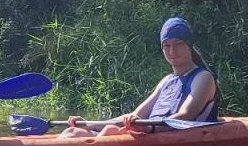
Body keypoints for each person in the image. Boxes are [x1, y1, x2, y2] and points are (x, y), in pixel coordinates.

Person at [60, 17, 218, 138]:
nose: (172, 51)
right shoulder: (167, 81)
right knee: (73, 131)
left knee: (109, 131)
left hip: (167, 138)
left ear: (189, 44)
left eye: (177, 44)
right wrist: (91, 125)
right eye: (167, 45)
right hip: (149, 134)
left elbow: (186, 116)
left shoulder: (203, 77)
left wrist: (147, 127)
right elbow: (136, 116)